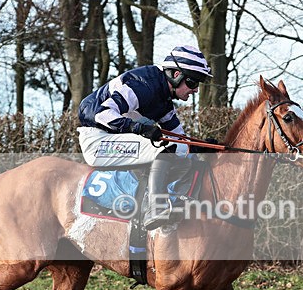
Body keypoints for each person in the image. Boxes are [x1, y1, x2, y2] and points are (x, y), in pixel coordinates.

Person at [77, 44, 212, 230]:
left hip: (115, 139)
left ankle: (168, 200)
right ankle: (155, 208)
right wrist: (138, 128)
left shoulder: (164, 100)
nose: (195, 90)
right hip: (98, 141)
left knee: (181, 153)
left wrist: (203, 146)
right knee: (163, 147)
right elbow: (102, 113)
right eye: (193, 83)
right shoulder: (144, 85)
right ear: (176, 75)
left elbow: (180, 140)